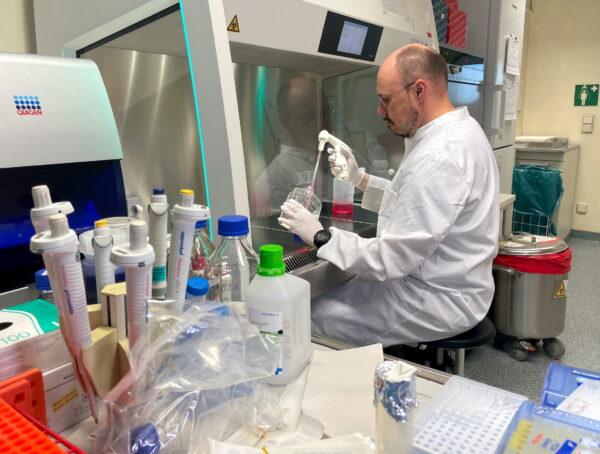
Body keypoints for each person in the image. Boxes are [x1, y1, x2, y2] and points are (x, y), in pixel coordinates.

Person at [278, 44, 499, 347]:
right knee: (327, 297)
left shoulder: (440, 155)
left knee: (310, 316)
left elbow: (388, 260)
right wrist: (361, 179)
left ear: (419, 90)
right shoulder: (459, 130)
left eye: (386, 100)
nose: (379, 111)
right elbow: (422, 203)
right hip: (445, 282)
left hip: (436, 299)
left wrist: (320, 237)